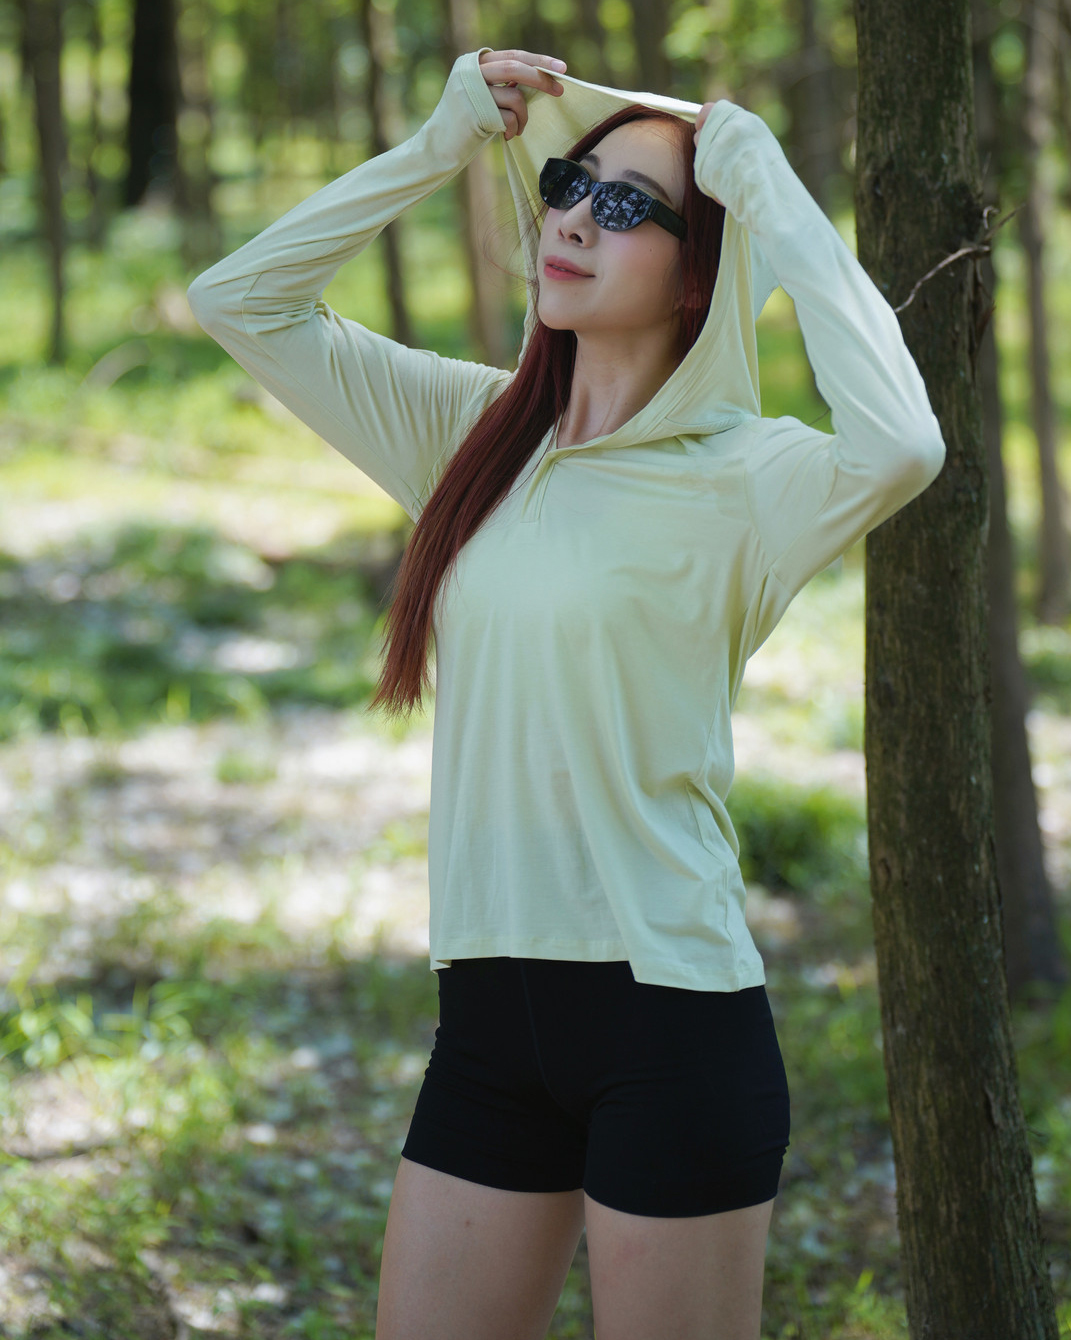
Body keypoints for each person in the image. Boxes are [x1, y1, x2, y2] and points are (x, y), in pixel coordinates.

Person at [187, 44, 946, 1340]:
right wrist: (435, 149)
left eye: (630, 206)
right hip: (488, 1022)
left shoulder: (746, 477)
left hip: (671, 1026)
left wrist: (769, 191)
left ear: (699, 272)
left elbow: (905, 443)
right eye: (565, 187)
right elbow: (239, 301)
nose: (578, 221)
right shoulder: (472, 438)